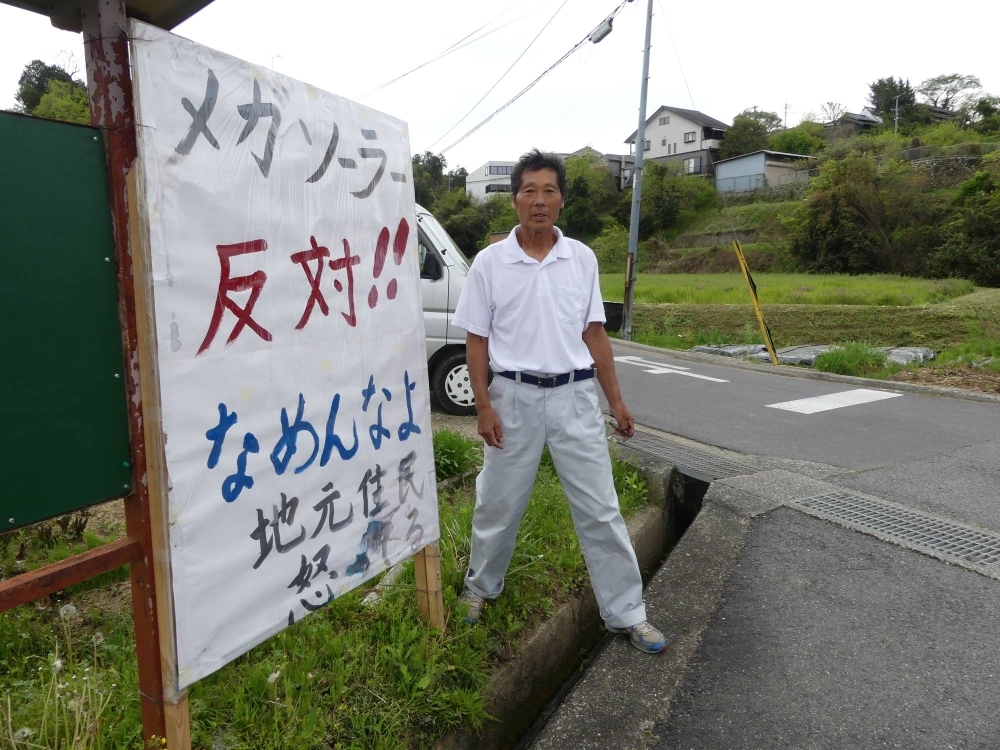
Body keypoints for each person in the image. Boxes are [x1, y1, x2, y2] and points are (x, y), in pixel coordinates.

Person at [451, 149, 666, 654]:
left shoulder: (582, 258)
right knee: (498, 504)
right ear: (514, 200)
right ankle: (480, 590)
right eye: (529, 191)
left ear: (562, 200)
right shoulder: (489, 262)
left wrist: (617, 401)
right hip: (513, 399)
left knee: (600, 508)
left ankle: (627, 613)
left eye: (549, 191)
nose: (539, 201)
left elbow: (594, 333)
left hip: (574, 398)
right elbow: (476, 341)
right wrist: (483, 405)